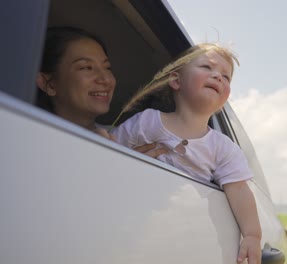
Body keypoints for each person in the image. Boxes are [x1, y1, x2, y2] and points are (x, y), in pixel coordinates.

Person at [111, 43, 262, 264]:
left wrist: (252, 235)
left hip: (179, 237)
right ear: (176, 80)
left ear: (224, 103)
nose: (218, 77)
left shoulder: (224, 147)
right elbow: (109, 152)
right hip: (130, 224)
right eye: (207, 67)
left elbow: (239, 189)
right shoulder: (147, 121)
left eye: (226, 77)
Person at [36, 26, 166, 157]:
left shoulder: (126, 138)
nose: (106, 79)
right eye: (86, 67)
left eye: (107, 68)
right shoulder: (31, 139)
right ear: (50, 84)